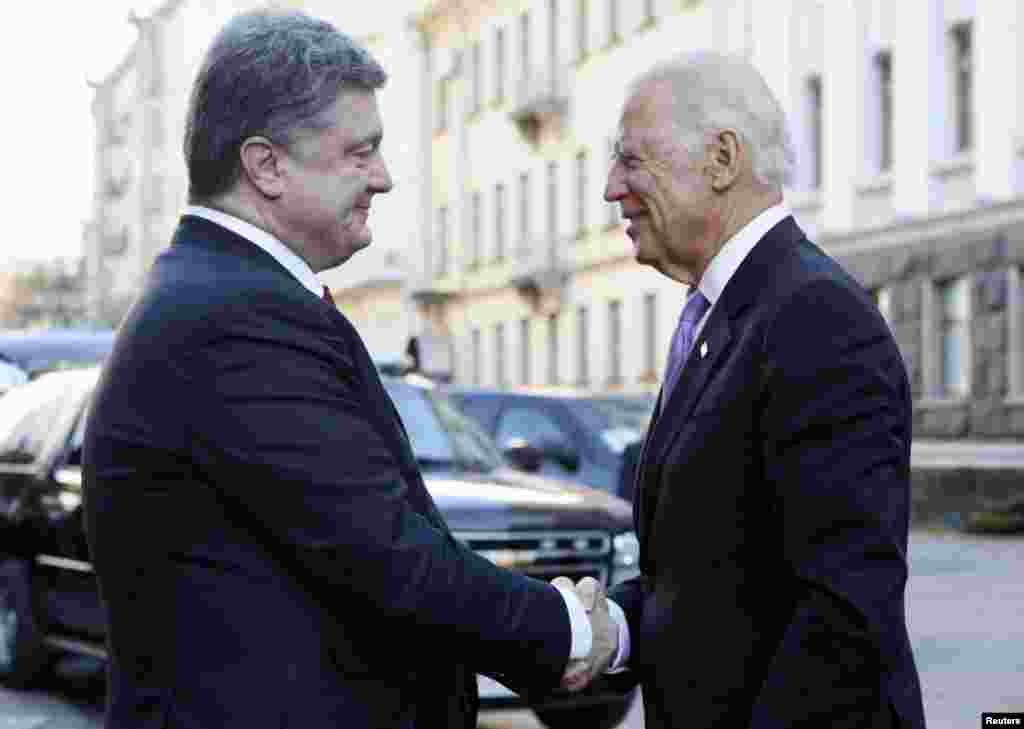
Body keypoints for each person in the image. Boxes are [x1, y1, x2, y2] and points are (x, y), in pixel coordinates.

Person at [82, 10, 610, 729]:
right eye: (360, 153)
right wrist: (574, 630)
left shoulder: (227, 295)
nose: (383, 178)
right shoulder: (235, 317)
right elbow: (385, 556)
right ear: (266, 166)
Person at [564, 51, 927, 728]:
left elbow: (843, 613)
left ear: (722, 159)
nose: (612, 188)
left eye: (632, 160)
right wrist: (617, 626)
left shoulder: (815, 317)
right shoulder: (728, 310)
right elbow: (714, 575)